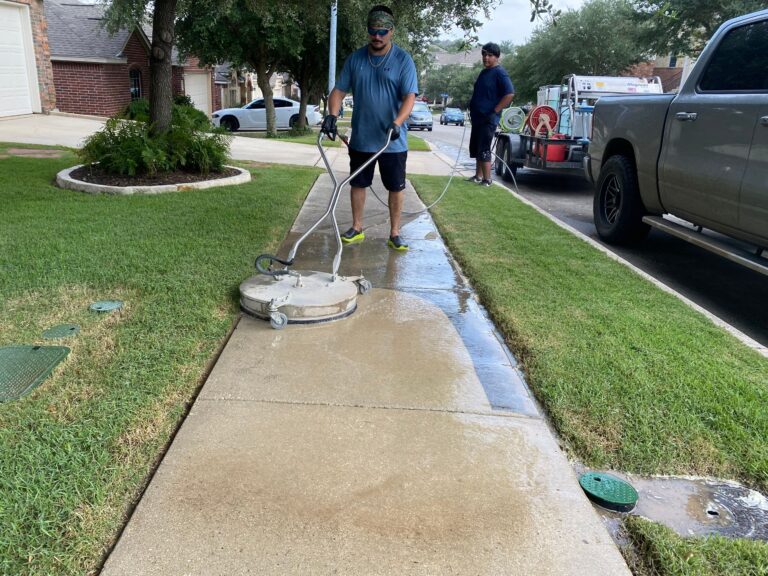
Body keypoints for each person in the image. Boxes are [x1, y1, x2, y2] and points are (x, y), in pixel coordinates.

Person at [320, 5, 418, 251]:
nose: (377, 36)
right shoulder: (356, 59)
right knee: (358, 183)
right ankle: (357, 227)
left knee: (395, 186)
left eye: (382, 32)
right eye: (373, 31)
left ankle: (394, 233)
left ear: (392, 31)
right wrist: (331, 115)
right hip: (362, 137)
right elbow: (339, 90)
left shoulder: (403, 60)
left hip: (391, 139)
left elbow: (409, 97)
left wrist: (398, 122)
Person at [467, 42, 515, 187]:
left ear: (497, 57)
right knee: (476, 147)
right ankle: (478, 176)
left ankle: (487, 179)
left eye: (490, 55)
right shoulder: (484, 72)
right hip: (477, 117)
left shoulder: (500, 73)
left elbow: (509, 94)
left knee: (484, 147)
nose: (486, 58)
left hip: (488, 118)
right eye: (484, 55)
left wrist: (494, 111)